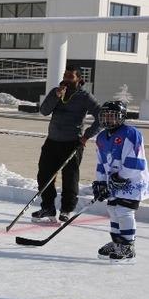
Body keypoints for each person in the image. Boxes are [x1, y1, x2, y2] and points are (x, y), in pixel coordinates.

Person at [33, 65, 101, 223]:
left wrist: (87, 136)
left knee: (70, 178)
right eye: (65, 75)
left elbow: (101, 117)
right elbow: (44, 111)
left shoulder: (85, 96)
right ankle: (47, 207)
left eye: (70, 76)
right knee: (44, 175)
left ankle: (66, 209)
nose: (66, 79)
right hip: (52, 141)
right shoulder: (56, 92)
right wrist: (56, 96)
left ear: (78, 79)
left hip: (72, 143)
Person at [92, 101, 148, 262]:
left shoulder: (131, 133)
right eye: (105, 115)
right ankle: (118, 242)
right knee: (113, 209)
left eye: (112, 115)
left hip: (132, 180)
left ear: (122, 117)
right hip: (114, 181)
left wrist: (121, 176)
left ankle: (127, 246)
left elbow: (135, 161)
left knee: (124, 211)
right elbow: (101, 163)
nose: (108, 119)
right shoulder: (101, 137)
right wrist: (101, 182)